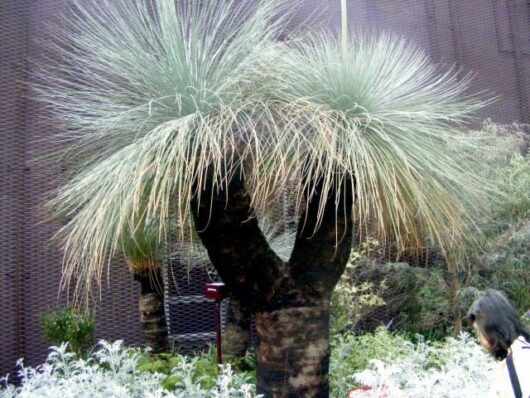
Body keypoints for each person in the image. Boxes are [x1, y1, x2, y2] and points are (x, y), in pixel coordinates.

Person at [468, 289, 530, 398]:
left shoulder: (518, 362)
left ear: (492, 328)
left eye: (479, 331)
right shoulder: (522, 351)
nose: (479, 339)